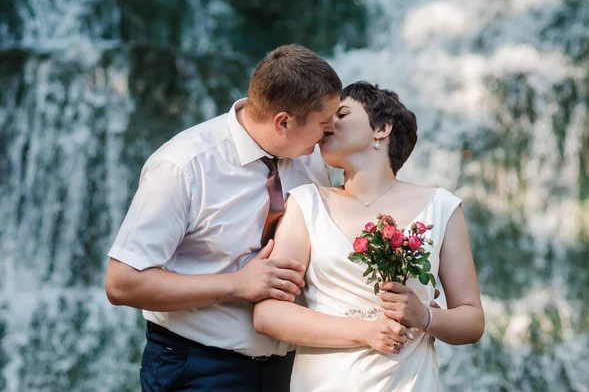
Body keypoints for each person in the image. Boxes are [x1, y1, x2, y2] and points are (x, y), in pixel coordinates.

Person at [104, 44, 344, 392]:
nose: (332, 131)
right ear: (283, 122)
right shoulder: (183, 166)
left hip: (291, 369)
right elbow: (121, 282)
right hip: (198, 366)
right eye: (324, 123)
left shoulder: (312, 160)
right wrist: (237, 284)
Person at [253, 82, 485, 391]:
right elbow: (269, 315)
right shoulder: (307, 203)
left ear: (382, 128)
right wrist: (365, 331)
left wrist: (424, 316)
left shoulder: (440, 207)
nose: (326, 124)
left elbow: (472, 321)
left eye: (342, 114)